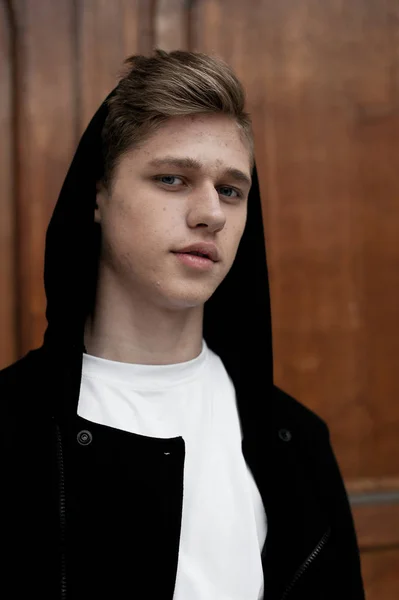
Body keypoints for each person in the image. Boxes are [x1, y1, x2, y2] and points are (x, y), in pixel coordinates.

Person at [0, 49, 364, 599]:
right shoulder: (9, 429)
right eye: (172, 178)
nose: (211, 213)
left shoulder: (295, 441)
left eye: (231, 190)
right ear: (97, 195)